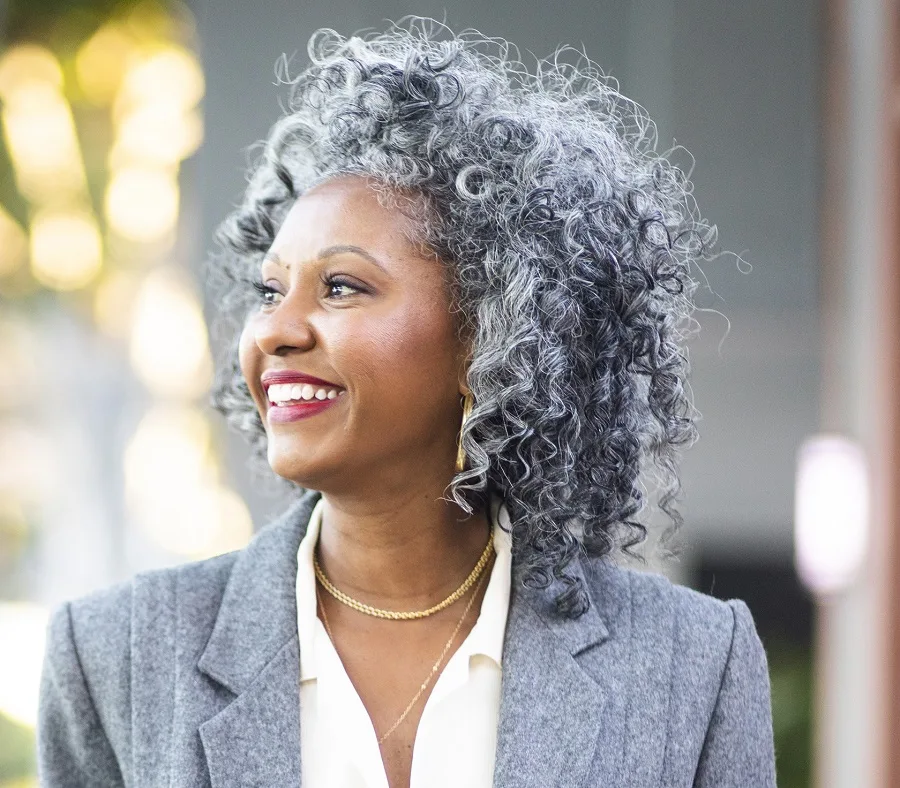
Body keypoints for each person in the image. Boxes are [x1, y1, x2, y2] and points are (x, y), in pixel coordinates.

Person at [36, 18, 777, 788]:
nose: (276, 331)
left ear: (490, 337)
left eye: (342, 286)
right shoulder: (114, 655)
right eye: (269, 290)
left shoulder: (692, 665)